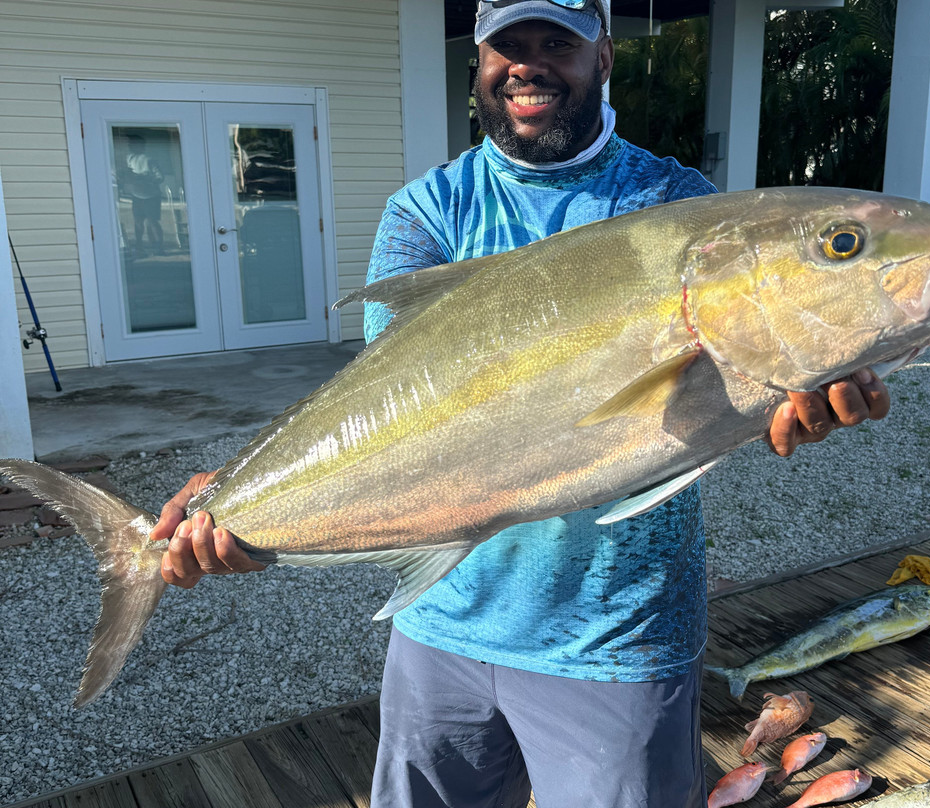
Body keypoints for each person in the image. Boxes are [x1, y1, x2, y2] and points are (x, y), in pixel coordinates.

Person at [151, 2, 890, 805]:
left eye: (556, 44)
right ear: (478, 63)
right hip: (441, 627)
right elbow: (392, 420)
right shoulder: (427, 210)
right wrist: (245, 505)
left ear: (603, 55)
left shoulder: (677, 203)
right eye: (508, 47)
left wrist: (789, 395)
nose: (528, 65)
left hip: (618, 639)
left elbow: (733, 380)